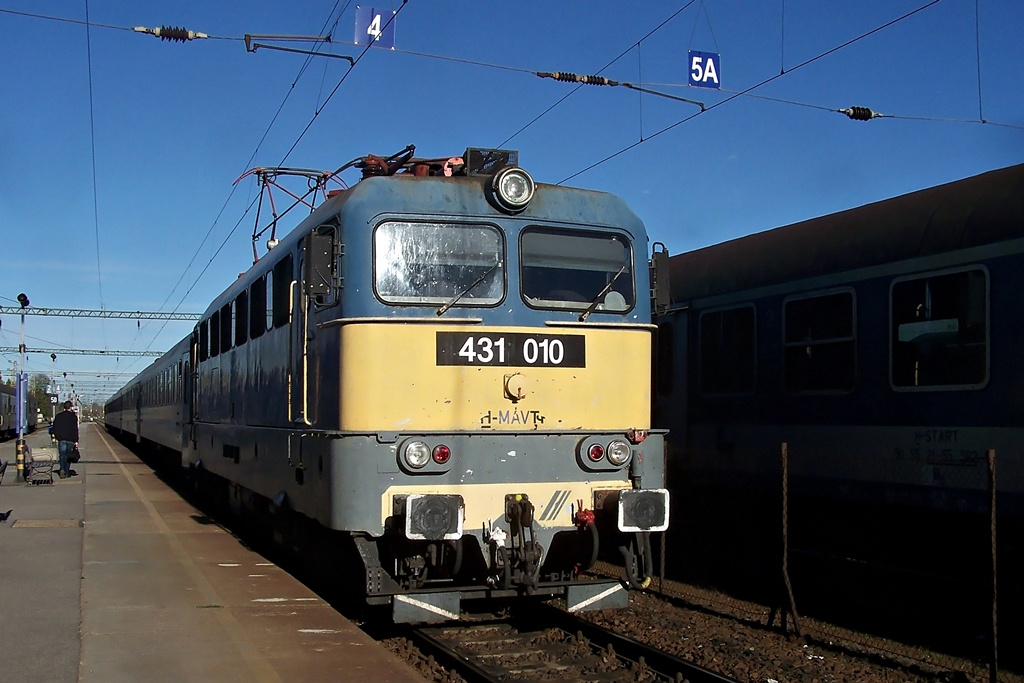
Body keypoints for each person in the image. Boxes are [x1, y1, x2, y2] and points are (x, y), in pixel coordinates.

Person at [51, 400, 79, 479]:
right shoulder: (73, 416)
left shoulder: (59, 416)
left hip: (61, 439)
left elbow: (55, 427)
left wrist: (57, 437)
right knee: (68, 456)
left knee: (62, 455)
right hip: (70, 439)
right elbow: (75, 429)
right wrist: (76, 440)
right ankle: (66, 471)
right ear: (70, 407)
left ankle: (62, 469)